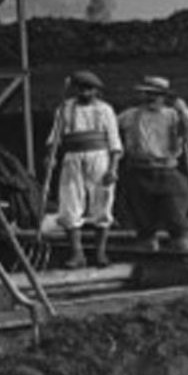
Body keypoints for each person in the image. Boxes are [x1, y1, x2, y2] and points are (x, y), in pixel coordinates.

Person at [117, 76, 188, 255]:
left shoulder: (174, 115)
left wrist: (184, 111)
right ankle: (149, 264)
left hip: (167, 172)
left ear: (165, 96)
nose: (152, 98)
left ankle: (184, 259)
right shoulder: (129, 116)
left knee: (177, 221)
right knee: (144, 223)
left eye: (157, 94)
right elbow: (108, 135)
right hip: (138, 173)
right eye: (148, 94)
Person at [44, 70, 123, 269]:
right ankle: (77, 253)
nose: (85, 93)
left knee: (102, 200)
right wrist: (50, 156)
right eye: (81, 88)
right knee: (70, 202)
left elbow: (114, 142)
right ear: (75, 89)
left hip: (99, 157)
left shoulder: (105, 110)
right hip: (72, 158)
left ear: (96, 91)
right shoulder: (65, 108)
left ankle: (100, 253)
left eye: (89, 89)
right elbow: (55, 137)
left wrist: (113, 168)